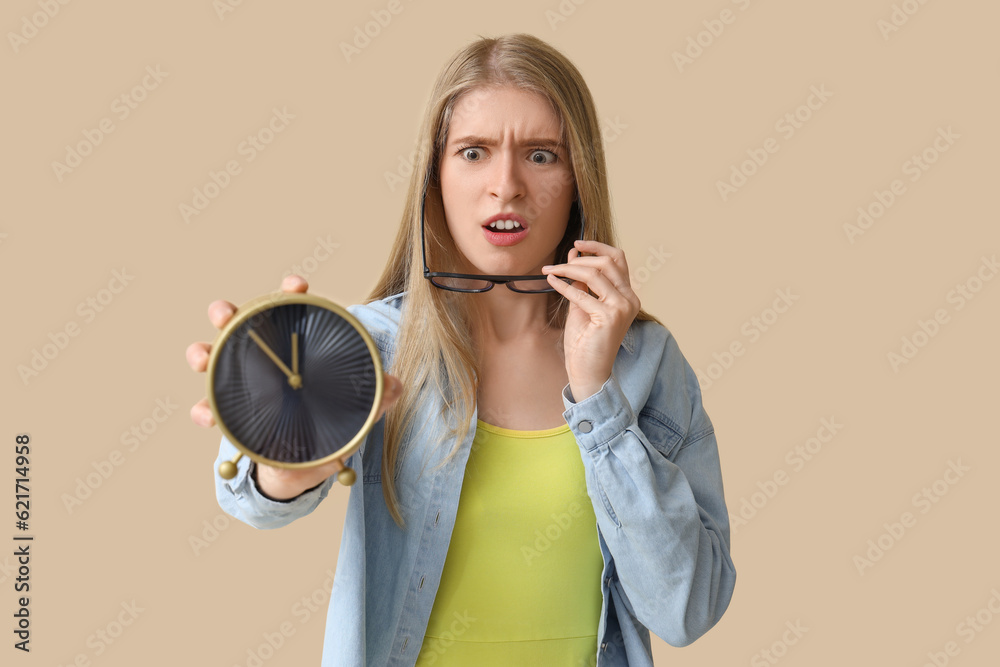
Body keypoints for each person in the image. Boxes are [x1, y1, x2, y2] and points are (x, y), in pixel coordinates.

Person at [187, 33, 735, 666]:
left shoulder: (644, 361)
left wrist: (597, 396)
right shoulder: (368, 346)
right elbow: (251, 501)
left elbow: (688, 610)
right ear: (434, 178)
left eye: (540, 155)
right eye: (473, 152)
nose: (506, 187)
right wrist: (287, 456)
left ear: (580, 178)